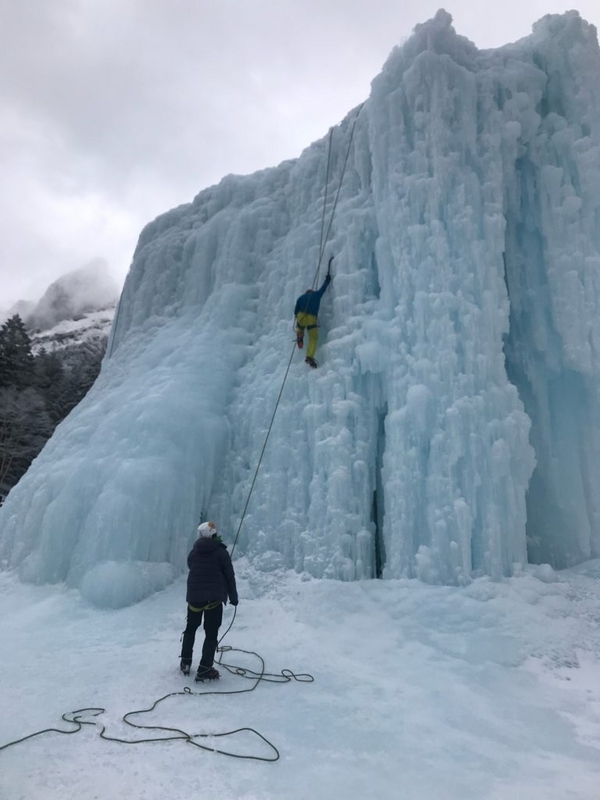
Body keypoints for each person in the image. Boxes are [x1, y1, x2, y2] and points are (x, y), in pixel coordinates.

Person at [180, 520, 238, 682]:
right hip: (213, 598)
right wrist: (233, 598)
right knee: (211, 634)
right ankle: (204, 669)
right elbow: (229, 576)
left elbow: (191, 566)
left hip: (194, 598)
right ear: (214, 535)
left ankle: (185, 663)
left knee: (190, 629)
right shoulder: (221, 552)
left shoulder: (194, 552)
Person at [294, 271, 332, 368]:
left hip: (301, 316)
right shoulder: (316, 295)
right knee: (313, 338)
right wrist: (327, 280)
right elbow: (323, 289)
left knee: (300, 326)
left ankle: (300, 335)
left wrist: (298, 318)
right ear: (312, 292)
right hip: (311, 317)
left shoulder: (301, 297)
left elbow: (295, 311)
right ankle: (309, 356)